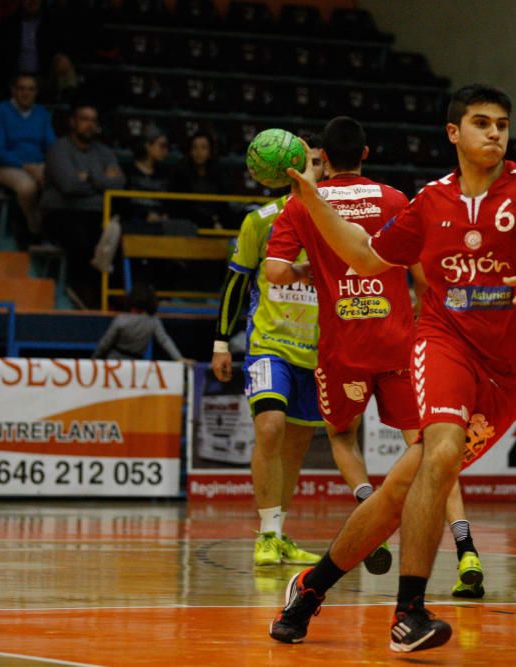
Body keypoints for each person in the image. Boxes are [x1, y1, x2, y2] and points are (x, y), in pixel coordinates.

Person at [267, 84, 516, 653]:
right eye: (482, 123)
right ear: (454, 133)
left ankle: (309, 588)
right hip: (444, 342)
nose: (495, 134)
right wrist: (311, 197)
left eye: (502, 124)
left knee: (402, 487)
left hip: (509, 372)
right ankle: (409, 613)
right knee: (440, 452)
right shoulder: (431, 201)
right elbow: (363, 254)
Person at [264, 115, 485, 598]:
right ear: (366, 153)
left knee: (342, 436)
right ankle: (466, 548)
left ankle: (368, 505)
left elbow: (276, 271)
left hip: (344, 346)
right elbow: (423, 270)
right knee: (431, 449)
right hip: (398, 338)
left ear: (323, 158)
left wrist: (311, 271)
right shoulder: (393, 199)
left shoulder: (302, 204)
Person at [210, 135, 329, 569]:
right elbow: (236, 283)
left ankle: (278, 533)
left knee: (295, 448)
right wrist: (222, 342)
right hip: (268, 344)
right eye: (303, 161)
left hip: (315, 352)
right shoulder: (261, 221)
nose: (309, 169)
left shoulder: (336, 221)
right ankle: (266, 534)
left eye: (316, 162)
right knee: (271, 428)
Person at [40, 100, 125, 309]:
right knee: (82, 236)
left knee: (117, 238)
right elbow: (68, 185)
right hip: (61, 212)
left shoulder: (104, 152)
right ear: (73, 122)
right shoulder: (58, 149)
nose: (89, 125)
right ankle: (81, 289)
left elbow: (119, 185)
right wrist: (102, 182)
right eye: (84, 119)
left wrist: (87, 177)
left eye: (93, 121)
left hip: (97, 213)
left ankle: (114, 294)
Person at [0, 72, 55, 246]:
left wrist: (47, 167)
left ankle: (53, 230)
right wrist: (25, 166)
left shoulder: (42, 113)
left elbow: (51, 145)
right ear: (13, 91)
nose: (26, 93)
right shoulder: (1, 111)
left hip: (37, 164)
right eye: (22, 89)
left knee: (58, 180)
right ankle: (35, 229)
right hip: (5, 165)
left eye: (31, 89)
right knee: (27, 187)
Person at [93, 282, 187, 362]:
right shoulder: (153, 321)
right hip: (137, 363)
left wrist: (94, 359)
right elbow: (164, 340)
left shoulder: (121, 319)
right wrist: (179, 358)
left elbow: (105, 343)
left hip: (115, 361)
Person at [167, 131, 234, 229]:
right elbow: (178, 206)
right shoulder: (180, 174)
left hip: (215, 222)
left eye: (203, 147)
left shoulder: (219, 174)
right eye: (195, 147)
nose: (199, 152)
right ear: (190, 151)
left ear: (210, 151)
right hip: (189, 223)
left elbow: (224, 205)